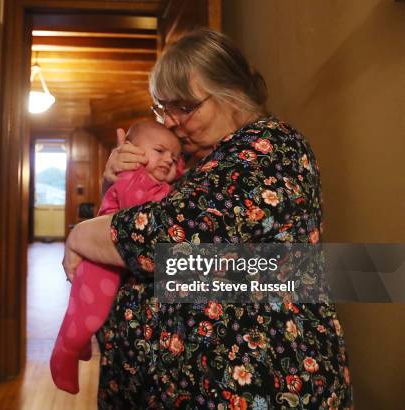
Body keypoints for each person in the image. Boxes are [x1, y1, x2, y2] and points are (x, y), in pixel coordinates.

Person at [62, 29, 353, 409]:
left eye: (183, 107)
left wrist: (80, 235)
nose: (169, 122)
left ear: (231, 92)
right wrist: (114, 184)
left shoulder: (271, 147)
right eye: (162, 109)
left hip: (259, 386)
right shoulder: (203, 164)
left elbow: (167, 237)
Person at [51, 120, 183, 394]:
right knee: (90, 311)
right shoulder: (133, 178)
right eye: (159, 151)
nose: (169, 160)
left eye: (175, 157)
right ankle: (65, 351)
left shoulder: (155, 179)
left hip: (118, 259)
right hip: (102, 258)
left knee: (89, 314)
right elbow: (140, 220)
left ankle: (81, 341)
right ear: (132, 152)